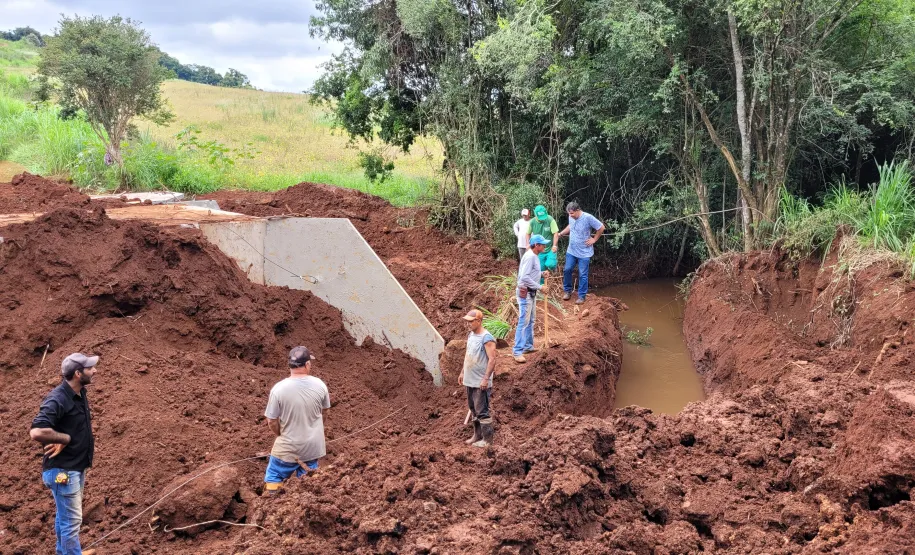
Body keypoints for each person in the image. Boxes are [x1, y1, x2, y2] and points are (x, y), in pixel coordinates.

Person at [30, 353, 100, 555]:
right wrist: (64, 439)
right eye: (90, 368)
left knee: (64, 518)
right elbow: (37, 431)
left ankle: (68, 552)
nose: (94, 370)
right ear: (78, 373)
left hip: (73, 468)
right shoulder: (58, 398)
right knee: (72, 521)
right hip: (63, 473)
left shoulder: (79, 392)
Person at [263, 346, 331, 493]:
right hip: (312, 446)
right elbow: (325, 412)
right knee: (309, 479)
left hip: (288, 446)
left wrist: (280, 434)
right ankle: (307, 501)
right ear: (307, 364)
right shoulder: (320, 385)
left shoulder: (278, 389)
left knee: (274, 475)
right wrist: (315, 430)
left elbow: (271, 421)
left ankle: (271, 501)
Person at [458, 309, 497, 447]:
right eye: (467, 321)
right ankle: (477, 435)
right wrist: (463, 372)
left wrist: (486, 378)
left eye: (471, 321)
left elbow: (492, 360)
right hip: (470, 380)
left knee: (482, 410)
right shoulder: (471, 335)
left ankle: (487, 440)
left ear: (479, 321)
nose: (468, 324)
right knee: (473, 408)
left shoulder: (487, 338)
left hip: (480, 381)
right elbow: (468, 355)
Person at [556, 201, 605, 304]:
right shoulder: (571, 217)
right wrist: (561, 233)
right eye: (569, 213)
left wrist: (594, 239)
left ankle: (581, 296)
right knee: (567, 270)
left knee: (583, 274)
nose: (570, 215)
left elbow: (601, 227)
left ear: (578, 210)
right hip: (571, 250)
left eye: (572, 213)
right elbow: (570, 226)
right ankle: (567, 291)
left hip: (584, 253)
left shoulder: (588, 217)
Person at [513, 235, 551, 363]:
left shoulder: (534, 256)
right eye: (542, 244)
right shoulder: (530, 257)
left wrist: (541, 274)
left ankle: (528, 346)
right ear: (536, 245)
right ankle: (517, 351)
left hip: (531, 293)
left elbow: (530, 273)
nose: (544, 246)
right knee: (524, 321)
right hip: (526, 293)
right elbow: (524, 277)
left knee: (531, 320)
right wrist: (540, 287)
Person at [525, 205, 560, 275]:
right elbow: (527, 234)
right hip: (539, 250)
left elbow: (555, 233)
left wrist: (554, 245)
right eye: (540, 218)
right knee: (540, 270)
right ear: (535, 215)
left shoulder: (550, 219)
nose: (542, 219)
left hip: (550, 249)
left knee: (551, 264)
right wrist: (528, 244)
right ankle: (541, 284)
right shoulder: (532, 222)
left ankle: (553, 268)